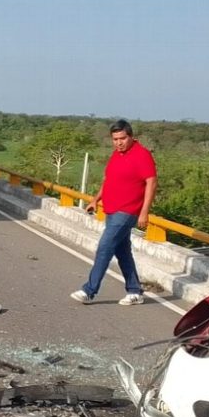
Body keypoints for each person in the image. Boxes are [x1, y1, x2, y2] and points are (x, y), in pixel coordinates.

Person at [70, 120, 157, 305]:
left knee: (105, 247)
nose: (119, 142)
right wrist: (95, 200)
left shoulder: (142, 155)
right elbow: (108, 179)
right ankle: (135, 291)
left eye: (123, 138)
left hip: (127, 210)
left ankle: (89, 290)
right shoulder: (116, 155)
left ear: (131, 137)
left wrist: (144, 212)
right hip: (111, 209)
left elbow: (151, 182)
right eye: (115, 139)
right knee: (122, 251)